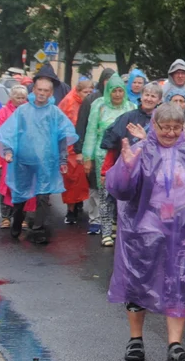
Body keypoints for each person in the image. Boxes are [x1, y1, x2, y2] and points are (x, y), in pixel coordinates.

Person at [106, 104, 185, 361]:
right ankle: (135, 340)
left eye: (176, 128)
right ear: (154, 126)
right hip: (142, 230)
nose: (170, 132)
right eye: (165, 127)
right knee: (138, 281)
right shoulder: (141, 151)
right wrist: (127, 166)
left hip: (180, 232)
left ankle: (175, 346)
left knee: (178, 282)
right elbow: (119, 190)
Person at [0, 73, 78, 244]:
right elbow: (10, 132)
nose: (42, 93)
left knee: (43, 195)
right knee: (21, 194)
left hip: (46, 162)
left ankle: (37, 229)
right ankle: (17, 219)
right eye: (39, 89)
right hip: (23, 161)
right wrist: (8, 151)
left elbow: (63, 137)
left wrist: (63, 160)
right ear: (34, 90)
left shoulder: (55, 113)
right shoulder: (23, 111)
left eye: (46, 90)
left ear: (51, 93)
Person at [84, 73, 136, 247]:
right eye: (114, 91)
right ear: (108, 91)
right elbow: (91, 132)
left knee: (123, 192)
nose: (117, 94)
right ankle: (106, 229)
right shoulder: (99, 106)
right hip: (103, 155)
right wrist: (87, 157)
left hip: (124, 156)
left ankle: (118, 226)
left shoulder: (131, 106)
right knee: (104, 192)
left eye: (121, 90)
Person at [75, 69, 115, 234]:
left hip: (111, 153)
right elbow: (82, 126)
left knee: (111, 188)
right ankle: (95, 219)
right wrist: (80, 151)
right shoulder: (92, 99)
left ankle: (109, 219)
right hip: (94, 151)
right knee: (94, 187)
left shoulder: (120, 101)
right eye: (107, 80)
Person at [0, 85, 29, 229]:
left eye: (23, 97)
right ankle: (5, 217)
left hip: (23, 156)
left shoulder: (29, 112)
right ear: (11, 98)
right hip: (4, 157)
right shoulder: (3, 112)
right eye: (18, 97)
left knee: (23, 187)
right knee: (5, 187)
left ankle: (21, 217)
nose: (21, 100)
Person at [58, 79, 94, 224]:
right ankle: (71, 210)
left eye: (91, 92)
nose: (89, 95)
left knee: (84, 179)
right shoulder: (68, 102)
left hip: (86, 145)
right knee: (72, 180)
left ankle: (78, 203)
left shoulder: (93, 103)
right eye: (86, 92)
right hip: (71, 148)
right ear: (78, 91)